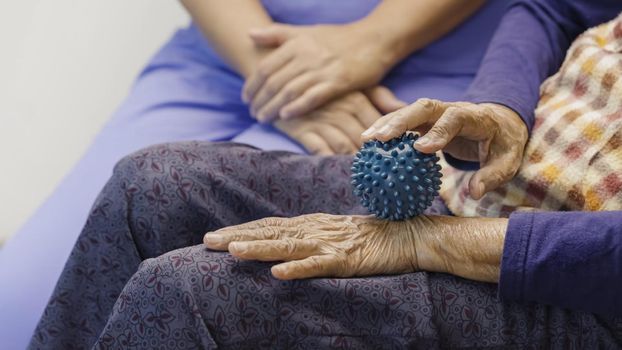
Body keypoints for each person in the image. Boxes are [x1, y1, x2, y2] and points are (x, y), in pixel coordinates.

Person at [30, 0, 622, 348]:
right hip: (485, 187)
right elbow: (556, 5)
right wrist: (501, 107)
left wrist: (434, 242)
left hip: (575, 282)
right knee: (152, 183)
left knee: (191, 290)